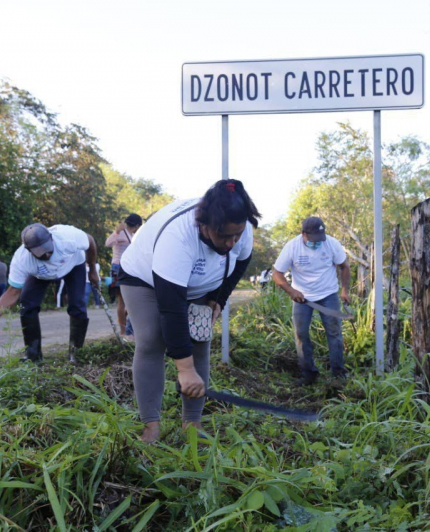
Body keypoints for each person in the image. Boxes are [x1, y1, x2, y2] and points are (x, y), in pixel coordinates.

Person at [118, 179, 260, 443]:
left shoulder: (241, 227)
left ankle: (192, 423)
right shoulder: (178, 238)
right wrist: (184, 370)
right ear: (203, 224)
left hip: (201, 282)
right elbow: (171, 309)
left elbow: (240, 264)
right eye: (223, 236)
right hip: (145, 277)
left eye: (236, 236)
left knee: (199, 340)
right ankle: (150, 424)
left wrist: (218, 300)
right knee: (151, 340)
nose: (230, 243)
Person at [0, 223, 100, 365]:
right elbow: (13, 291)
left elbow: (90, 241)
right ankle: (33, 356)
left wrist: (92, 269)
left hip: (73, 266)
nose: (46, 254)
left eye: (48, 249)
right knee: (27, 305)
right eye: (40, 252)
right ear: (28, 250)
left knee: (77, 305)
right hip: (41, 274)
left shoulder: (69, 237)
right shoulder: (22, 260)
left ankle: (76, 354)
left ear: (52, 239)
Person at [272, 216, 351, 386]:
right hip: (303, 298)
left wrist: (344, 290)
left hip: (328, 294)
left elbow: (344, 266)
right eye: (313, 238)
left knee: (334, 333)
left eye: (319, 238)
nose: (317, 242)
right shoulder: (292, 247)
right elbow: (277, 273)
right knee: (301, 334)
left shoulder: (331, 244)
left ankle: (338, 373)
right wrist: (291, 290)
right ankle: (309, 374)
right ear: (303, 234)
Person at [106, 213, 143, 341]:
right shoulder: (121, 233)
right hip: (118, 267)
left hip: (130, 267)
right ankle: (123, 331)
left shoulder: (133, 235)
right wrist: (116, 232)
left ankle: (128, 328)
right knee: (122, 300)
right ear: (137, 225)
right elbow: (108, 243)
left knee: (130, 300)